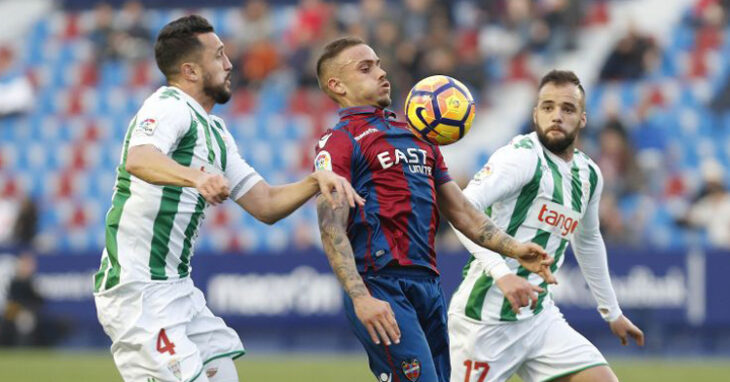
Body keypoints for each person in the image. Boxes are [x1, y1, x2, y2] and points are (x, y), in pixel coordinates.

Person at [92, 16, 362, 382]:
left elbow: (265, 204)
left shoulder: (216, 132)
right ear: (190, 70)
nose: (230, 63)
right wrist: (197, 177)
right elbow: (139, 158)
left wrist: (316, 181)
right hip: (137, 291)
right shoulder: (168, 105)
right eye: (218, 56)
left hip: (178, 289)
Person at [313, 36, 554, 382]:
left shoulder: (418, 136)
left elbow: (460, 209)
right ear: (336, 85)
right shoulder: (339, 141)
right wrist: (359, 297)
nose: (382, 73)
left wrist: (514, 248)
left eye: (379, 64)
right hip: (380, 285)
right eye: (366, 68)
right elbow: (331, 226)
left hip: (428, 284)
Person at [448, 70, 645, 382]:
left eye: (567, 109)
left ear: (582, 119)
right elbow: (459, 209)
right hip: (486, 320)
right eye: (548, 107)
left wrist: (612, 312)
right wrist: (503, 275)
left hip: (539, 317)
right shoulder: (520, 158)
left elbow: (589, 240)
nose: (556, 116)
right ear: (535, 113)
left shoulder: (588, 174)